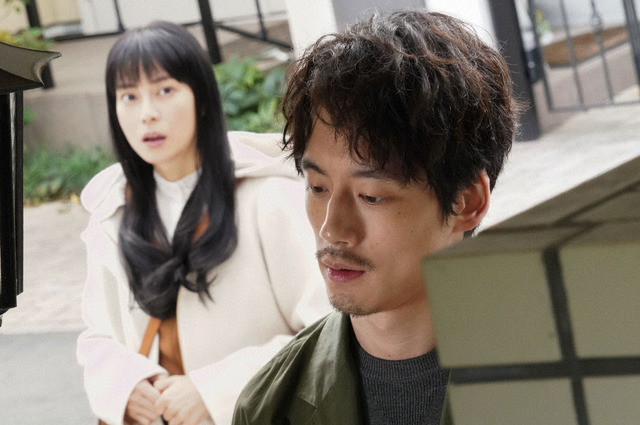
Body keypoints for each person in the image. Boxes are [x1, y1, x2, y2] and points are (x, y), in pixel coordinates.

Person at [232, 10, 520, 425]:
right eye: (317, 187)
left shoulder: (571, 371)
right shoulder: (270, 407)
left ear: (467, 201)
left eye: (371, 196)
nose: (332, 229)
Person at [77, 21, 329, 425]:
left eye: (164, 90)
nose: (147, 114)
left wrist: (216, 392)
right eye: (129, 96)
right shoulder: (112, 211)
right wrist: (125, 385)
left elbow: (326, 331)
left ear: (202, 98)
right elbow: (98, 335)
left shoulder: (267, 199)